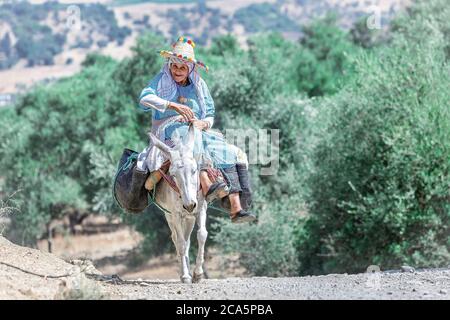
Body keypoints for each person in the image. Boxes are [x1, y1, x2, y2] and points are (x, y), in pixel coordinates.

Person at [135, 36, 256, 223]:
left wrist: (203, 124)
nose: (177, 70)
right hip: (170, 130)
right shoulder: (161, 80)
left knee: (226, 151)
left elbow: (209, 114)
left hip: (198, 129)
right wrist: (173, 106)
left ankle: (236, 207)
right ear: (169, 64)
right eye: (174, 65)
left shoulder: (199, 85)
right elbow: (144, 98)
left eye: (183, 67)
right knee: (191, 135)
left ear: (190, 68)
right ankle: (206, 182)